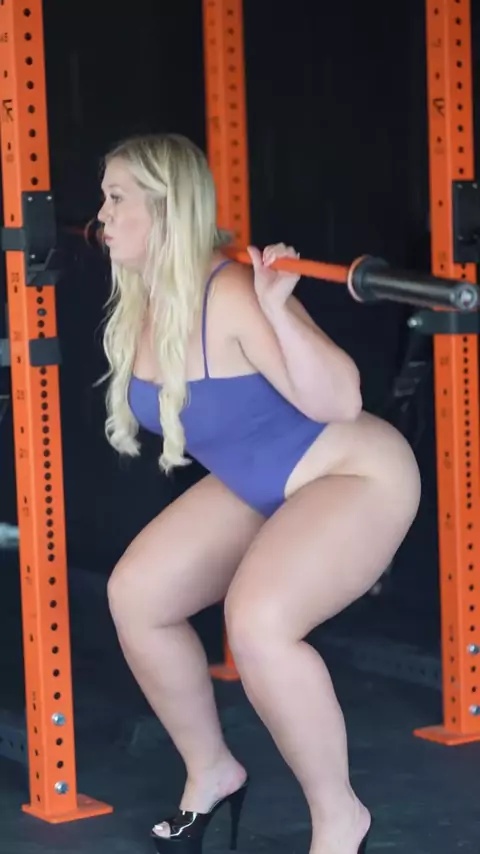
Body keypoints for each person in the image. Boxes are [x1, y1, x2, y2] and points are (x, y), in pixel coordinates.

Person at [96, 132, 421, 854]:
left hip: (351, 474)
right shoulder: (146, 298)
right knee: (137, 597)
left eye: (117, 199)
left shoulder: (234, 293)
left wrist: (277, 308)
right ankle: (212, 772)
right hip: (260, 483)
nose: (103, 216)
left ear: (166, 208)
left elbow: (341, 402)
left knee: (259, 625)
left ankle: (341, 819)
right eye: (104, 199)